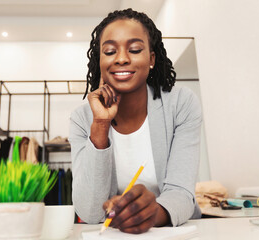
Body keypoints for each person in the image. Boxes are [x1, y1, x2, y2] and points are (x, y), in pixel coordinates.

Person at [69, 8, 202, 234]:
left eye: (135, 49)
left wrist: (152, 213)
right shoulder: (83, 119)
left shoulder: (180, 104)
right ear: (100, 61)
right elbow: (90, 212)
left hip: (173, 232)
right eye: (110, 51)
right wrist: (100, 126)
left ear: (151, 59)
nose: (121, 59)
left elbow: (181, 193)